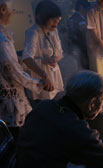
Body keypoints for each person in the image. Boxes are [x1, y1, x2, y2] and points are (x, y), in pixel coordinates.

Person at [17, 71, 103, 168]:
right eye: (101, 99)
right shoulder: (75, 129)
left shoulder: (46, 105)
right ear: (92, 103)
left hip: (32, 160)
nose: (101, 105)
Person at [0, 0, 50, 139]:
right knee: (18, 143)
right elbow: (14, 72)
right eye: (12, 9)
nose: (13, 12)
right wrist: (39, 84)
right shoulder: (2, 41)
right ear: (3, 9)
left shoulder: (5, 37)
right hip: (10, 105)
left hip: (7, 104)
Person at [22, 0, 64, 103]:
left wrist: (55, 58)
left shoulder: (54, 31)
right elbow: (27, 58)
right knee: (44, 104)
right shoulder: (33, 32)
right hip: (41, 76)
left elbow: (59, 52)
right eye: (52, 19)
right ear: (40, 17)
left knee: (56, 101)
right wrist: (44, 74)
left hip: (53, 73)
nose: (56, 22)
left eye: (57, 19)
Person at [67, 0, 91, 69]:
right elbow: (75, 35)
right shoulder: (77, 19)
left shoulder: (76, 18)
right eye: (86, 8)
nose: (87, 10)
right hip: (81, 49)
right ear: (81, 7)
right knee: (85, 68)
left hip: (79, 49)